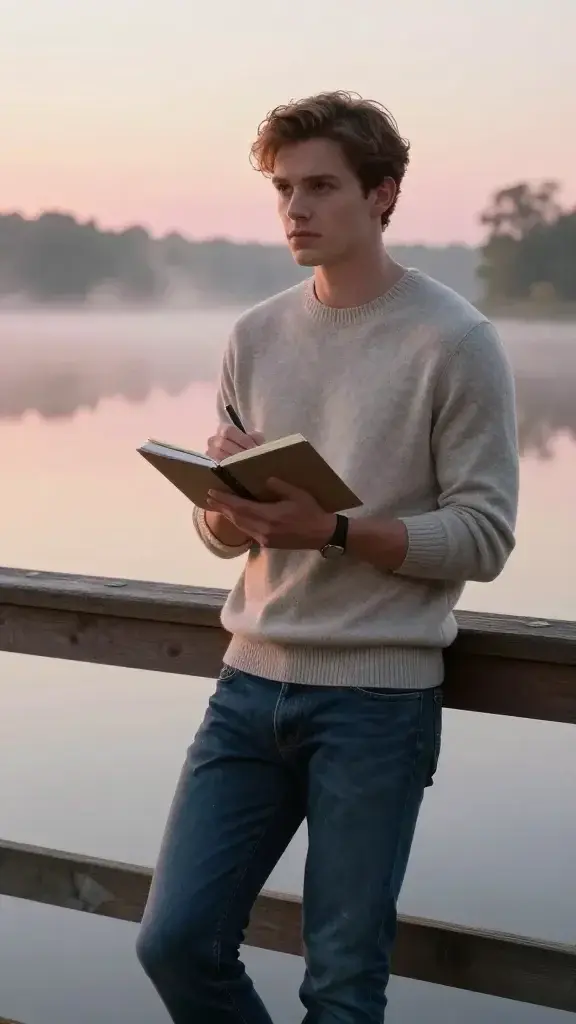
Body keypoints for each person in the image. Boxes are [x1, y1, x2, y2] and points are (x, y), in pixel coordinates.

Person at [136, 91, 519, 1023]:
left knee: (343, 984)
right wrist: (228, 513)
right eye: (282, 189)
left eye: (321, 187)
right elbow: (220, 534)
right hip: (247, 684)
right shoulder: (254, 334)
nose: (295, 211)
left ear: (382, 195)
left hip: (377, 704)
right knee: (176, 942)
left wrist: (335, 531)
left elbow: (485, 535)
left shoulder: (455, 340)